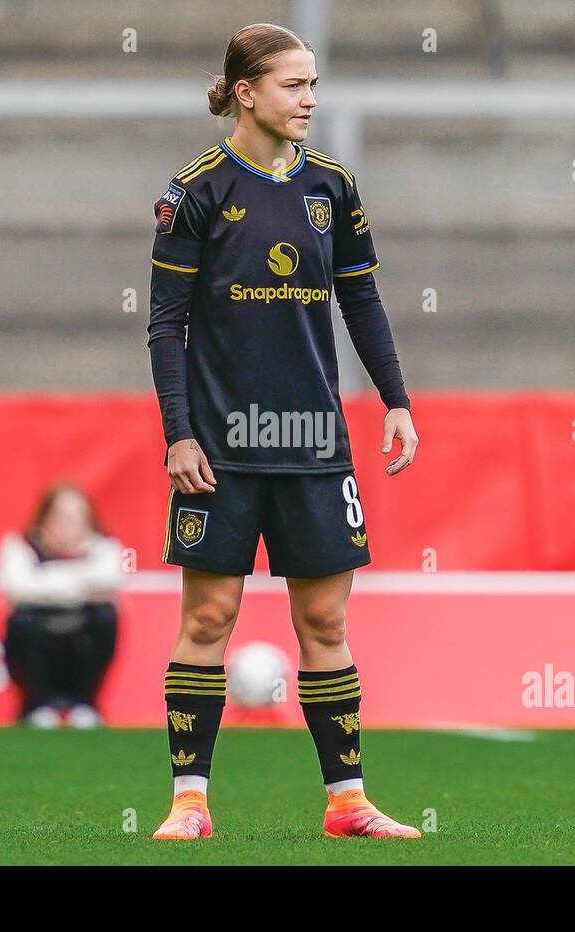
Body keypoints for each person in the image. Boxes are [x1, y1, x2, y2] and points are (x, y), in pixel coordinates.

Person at [146, 23, 421, 839]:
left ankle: (348, 804)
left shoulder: (332, 185)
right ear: (246, 92)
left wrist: (397, 400)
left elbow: (361, 301)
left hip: (312, 442)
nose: (309, 100)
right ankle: (189, 803)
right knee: (206, 619)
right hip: (221, 444)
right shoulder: (193, 190)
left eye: (312, 86)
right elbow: (166, 325)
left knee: (326, 625)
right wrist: (179, 433)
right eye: (294, 85)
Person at [0, 482, 123, 729]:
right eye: (61, 516)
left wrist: (46, 580)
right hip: (34, 645)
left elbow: (110, 580)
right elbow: (18, 588)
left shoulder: (104, 546)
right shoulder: (20, 544)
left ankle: (85, 706)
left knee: (106, 615)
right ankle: (37, 706)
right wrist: (81, 583)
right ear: (44, 518)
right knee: (21, 620)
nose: (68, 524)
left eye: (77, 517)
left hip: (81, 645)